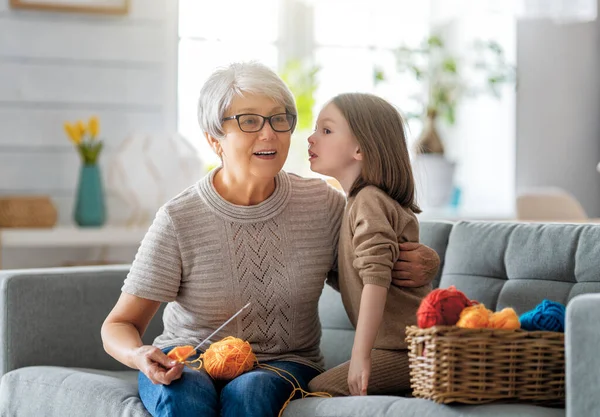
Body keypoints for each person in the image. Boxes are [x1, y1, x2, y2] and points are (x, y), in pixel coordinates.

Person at [101, 62, 440, 417]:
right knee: (183, 395)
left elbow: (371, 263)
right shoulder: (179, 218)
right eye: (249, 121)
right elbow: (119, 325)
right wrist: (138, 354)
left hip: (284, 364)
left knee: (252, 389)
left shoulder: (323, 204)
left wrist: (424, 259)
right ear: (213, 138)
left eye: (279, 119)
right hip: (191, 360)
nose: (269, 134)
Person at [307, 93, 431, 397]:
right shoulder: (355, 203)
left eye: (326, 130)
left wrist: (360, 357)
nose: (311, 138)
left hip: (405, 349)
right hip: (398, 347)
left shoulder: (369, 200)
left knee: (319, 389)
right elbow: (355, 275)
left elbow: (375, 280)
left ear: (360, 148)